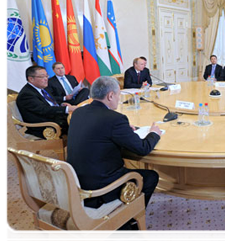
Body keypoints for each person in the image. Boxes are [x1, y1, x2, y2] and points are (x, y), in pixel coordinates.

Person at [67, 76, 162, 239]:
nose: (118, 99)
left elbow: (98, 133)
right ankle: (123, 225)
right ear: (110, 96)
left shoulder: (79, 112)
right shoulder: (115, 119)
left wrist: (124, 131)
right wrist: (154, 133)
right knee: (151, 176)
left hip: (74, 179)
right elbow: (142, 148)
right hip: (100, 187)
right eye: (118, 95)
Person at [16, 65, 78, 139]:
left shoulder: (42, 88)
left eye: (46, 76)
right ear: (31, 79)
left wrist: (61, 104)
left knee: (81, 118)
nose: (46, 79)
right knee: (79, 123)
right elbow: (43, 109)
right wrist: (67, 109)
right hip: (45, 126)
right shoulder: (27, 94)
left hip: (55, 118)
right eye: (42, 77)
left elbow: (50, 102)